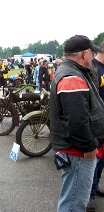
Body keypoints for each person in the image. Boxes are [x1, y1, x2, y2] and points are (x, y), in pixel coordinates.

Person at [50, 35, 104, 212]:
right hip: (78, 152)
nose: (93, 57)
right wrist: (89, 148)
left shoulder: (74, 72)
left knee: (72, 200)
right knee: (74, 204)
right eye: (91, 52)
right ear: (84, 54)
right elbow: (76, 122)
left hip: (76, 150)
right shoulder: (72, 77)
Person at [86, 41, 104, 212]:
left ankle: (95, 186)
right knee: (94, 160)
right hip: (96, 122)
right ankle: (89, 195)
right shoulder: (93, 68)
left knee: (102, 161)